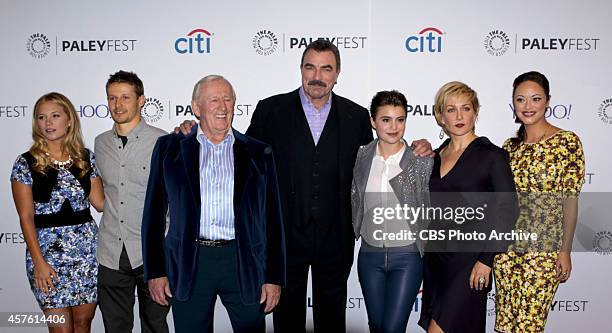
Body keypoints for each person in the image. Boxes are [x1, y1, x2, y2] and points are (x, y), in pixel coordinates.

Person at [245, 39, 432, 333]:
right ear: (301, 69)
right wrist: (195, 132)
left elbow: (383, 150)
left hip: (336, 237)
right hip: (285, 237)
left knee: (332, 318)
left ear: (337, 73)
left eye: (326, 68)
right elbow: (244, 160)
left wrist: (420, 146)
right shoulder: (271, 110)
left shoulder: (356, 116)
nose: (317, 75)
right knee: (287, 319)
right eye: (310, 67)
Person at [142, 75, 286, 333]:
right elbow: (153, 215)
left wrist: (273, 277)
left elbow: (272, 219)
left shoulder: (257, 152)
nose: (223, 106)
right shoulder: (170, 148)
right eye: (214, 100)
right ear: (196, 108)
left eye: (228, 99)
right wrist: (155, 271)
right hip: (190, 262)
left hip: (243, 261)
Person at [418, 81, 517, 333]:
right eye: (451, 110)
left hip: (470, 261)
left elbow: (508, 210)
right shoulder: (436, 155)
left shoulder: (492, 155)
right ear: (441, 116)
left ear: (476, 112)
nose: (459, 116)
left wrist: (486, 260)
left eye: (466, 108)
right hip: (436, 258)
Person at [493, 71, 585, 332]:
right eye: (520, 100)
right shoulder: (509, 148)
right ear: (513, 104)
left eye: (535, 99)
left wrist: (565, 250)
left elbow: (570, 200)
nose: (528, 106)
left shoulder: (566, 142)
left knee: (529, 326)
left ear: (547, 101)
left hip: (544, 251)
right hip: (507, 251)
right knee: (506, 324)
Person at [10, 92, 104, 332]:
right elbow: (25, 217)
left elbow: (101, 204)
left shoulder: (85, 158)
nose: (48, 123)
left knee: (83, 324)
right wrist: (39, 262)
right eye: (41, 117)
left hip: (87, 253)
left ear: (69, 119)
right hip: (47, 257)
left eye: (54, 115)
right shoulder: (26, 163)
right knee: (60, 328)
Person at [351, 90, 432, 333]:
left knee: (393, 328)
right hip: (369, 256)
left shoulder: (421, 159)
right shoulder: (361, 156)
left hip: (407, 257)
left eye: (400, 119)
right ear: (373, 122)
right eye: (386, 119)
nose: (394, 126)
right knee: (376, 326)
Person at [95, 70, 170, 332]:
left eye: (125, 97)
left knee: (155, 326)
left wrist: (165, 249)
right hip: (111, 254)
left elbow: (173, 201)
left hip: (151, 256)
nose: (118, 105)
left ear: (141, 100)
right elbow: (101, 198)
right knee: (115, 328)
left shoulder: (162, 142)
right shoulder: (100, 143)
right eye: (112, 98)